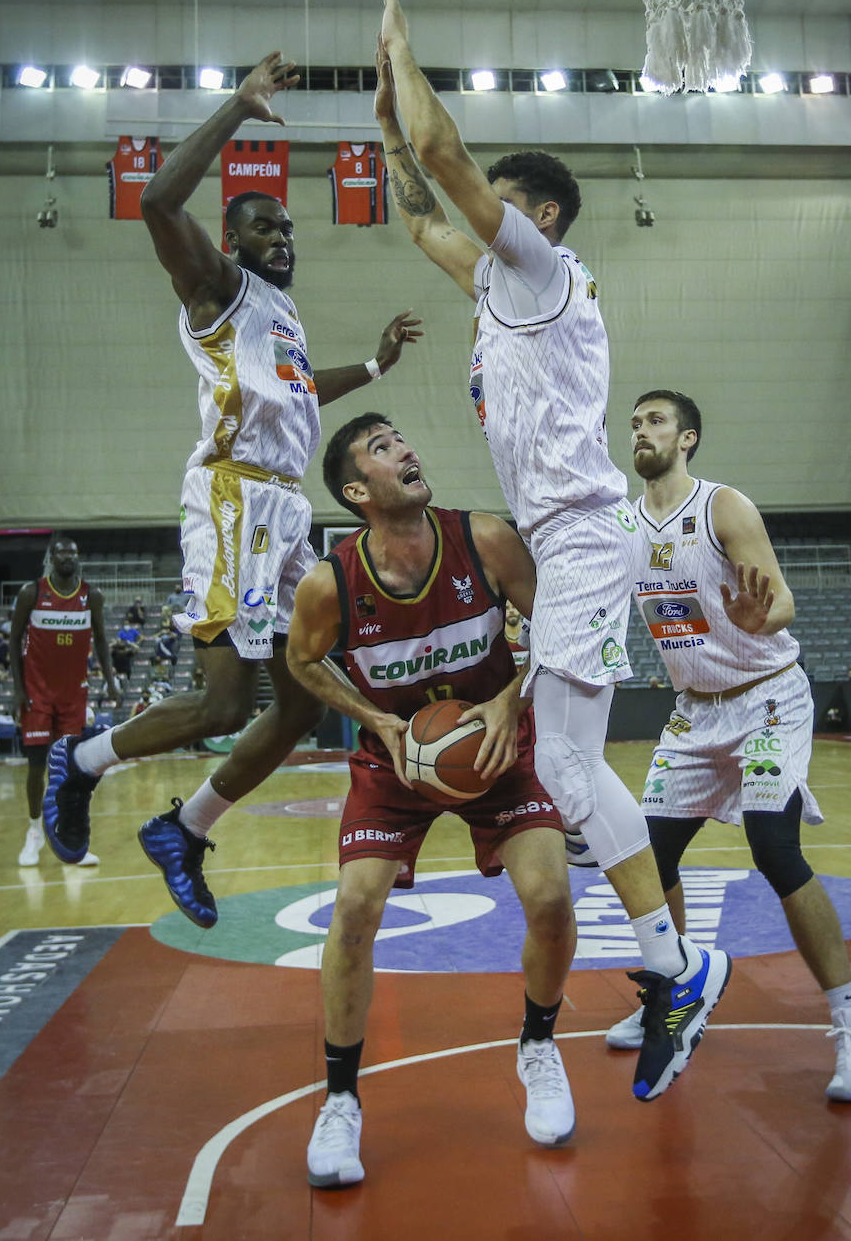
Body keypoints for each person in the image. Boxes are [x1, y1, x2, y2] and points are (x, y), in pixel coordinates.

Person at [375, 0, 730, 1104]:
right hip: (557, 538)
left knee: (570, 770)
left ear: (539, 216)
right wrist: (385, 130)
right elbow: (418, 214)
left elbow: (448, 162)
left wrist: (403, 60)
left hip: (579, 536)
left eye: (502, 203)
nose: (482, 217)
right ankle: (673, 964)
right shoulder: (495, 288)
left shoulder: (543, 269)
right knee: (570, 769)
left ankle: (677, 969)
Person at [42, 51, 421, 927]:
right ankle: (83, 762)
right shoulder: (216, 288)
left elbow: (299, 390)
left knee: (301, 701)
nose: (281, 237)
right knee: (226, 700)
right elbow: (156, 202)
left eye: (286, 227)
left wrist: (373, 368)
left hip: (284, 509)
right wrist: (239, 108)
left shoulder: (280, 314)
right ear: (232, 239)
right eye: (263, 226)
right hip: (231, 499)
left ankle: (185, 828)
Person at [286, 414, 577, 1187]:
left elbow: (560, 625)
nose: (406, 450)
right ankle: (340, 1100)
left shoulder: (484, 540)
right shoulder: (330, 583)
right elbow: (302, 661)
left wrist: (514, 699)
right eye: (383, 449)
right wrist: (376, 719)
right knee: (354, 909)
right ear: (358, 492)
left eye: (403, 440)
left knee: (551, 897)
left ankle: (538, 1044)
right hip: (394, 762)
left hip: (494, 743)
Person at [602, 390, 851, 1102]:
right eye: (635, 423)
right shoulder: (623, 523)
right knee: (649, 857)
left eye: (656, 421)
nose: (641, 431)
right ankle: (672, 993)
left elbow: (783, 600)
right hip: (693, 714)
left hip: (767, 698)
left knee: (774, 846)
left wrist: (764, 618)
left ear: (688, 437)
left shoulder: (723, 507)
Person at [9, 536, 116, 867]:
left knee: (70, 770)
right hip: (37, 694)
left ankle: (71, 837)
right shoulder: (31, 593)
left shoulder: (91, 596)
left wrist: (111, 680)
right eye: (61, 553)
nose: (68, 558)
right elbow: (13, 641)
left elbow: (101, 640)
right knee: (36, 765)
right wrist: (17, 690)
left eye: (73, 553)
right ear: (51, 559)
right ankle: (34, 833)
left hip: (73, 696)